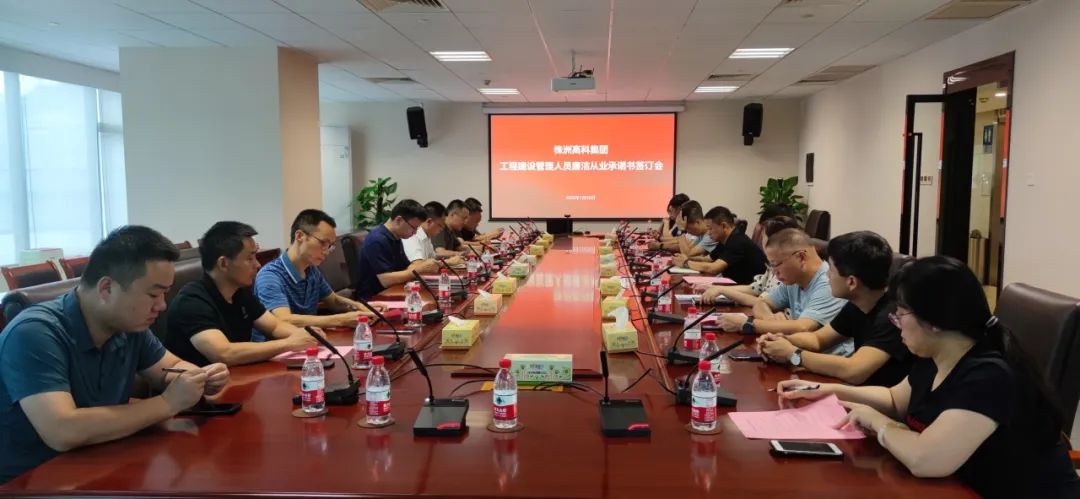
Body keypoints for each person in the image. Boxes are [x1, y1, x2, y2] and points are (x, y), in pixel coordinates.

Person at [777, 256, 1079, 498]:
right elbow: (895, 399)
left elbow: (926, 460)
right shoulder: (936, 354)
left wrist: (879, 423)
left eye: (901, 315)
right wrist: (827, 390)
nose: (896, 324)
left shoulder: (988, 376)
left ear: (934, 321)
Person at [0, 226, 230, 483]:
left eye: (164, 293)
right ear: (106, 288)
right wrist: (168, 403)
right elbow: (62, 430)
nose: (162, 305)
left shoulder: (128, 326)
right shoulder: (34, 332)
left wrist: (200, 377)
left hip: (100, 464)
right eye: (153, 294)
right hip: (31, 482)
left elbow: (170, 367)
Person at [757, 231, 912, 386]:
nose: (827, 275)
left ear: (851, 282)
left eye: (831, 270)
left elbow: (854, 371)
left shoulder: (893, 317)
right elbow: (818, 339)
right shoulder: (857, 304)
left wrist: (792, 354)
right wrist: (780, 340)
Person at [166, 222, 320, 367]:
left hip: (238, 377)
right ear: (223, 264)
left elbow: (274, 326)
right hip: (202, 384)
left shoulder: (239, 292)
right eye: (249, 258)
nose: (257, 264)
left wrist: (306, 335)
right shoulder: (192, 301)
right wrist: (289, 344)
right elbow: (224, 354)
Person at [254, 209, 380, 328]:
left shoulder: (311, 269)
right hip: (280, 343)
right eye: (323, 243)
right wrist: (341, 320)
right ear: (299, 236)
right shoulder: (270, 276)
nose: (326, 252)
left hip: (310, 339)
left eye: (330, 246)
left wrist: (362, 307)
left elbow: (333, 300)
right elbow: (284, 320)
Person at [719, 228, 846, 336]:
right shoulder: (794, 279)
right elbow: (761, 303)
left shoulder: (829, 284)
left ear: (801, 257)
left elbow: (803, 327)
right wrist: (769, 318)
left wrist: (747, 324)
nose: (774, 273)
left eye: (776, 264)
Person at [699, 216, 800, 305]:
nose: (762, 241)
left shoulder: (785, 270)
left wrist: (722, 290)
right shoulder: (773, 265)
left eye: (763, 237)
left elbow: (763, 303)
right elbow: (754, 288)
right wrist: (717, 288)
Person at [355, 199, 440, 299]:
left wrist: (423, 266)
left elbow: (406, 267)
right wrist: (418, 270)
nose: (415, 233)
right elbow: (385, 280)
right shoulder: (377, 240)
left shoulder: (396, 237)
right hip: (373, 298)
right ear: (399, 220)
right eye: (413, 228)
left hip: (393, 291)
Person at [673, 206, 766, 284]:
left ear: (724, 226)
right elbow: (708, 259)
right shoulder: (725, 239)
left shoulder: (737, 241)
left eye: (710, 228)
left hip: (751, 291)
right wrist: (687, 258)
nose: (708, 233)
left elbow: (714, 268)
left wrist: (686, 263)